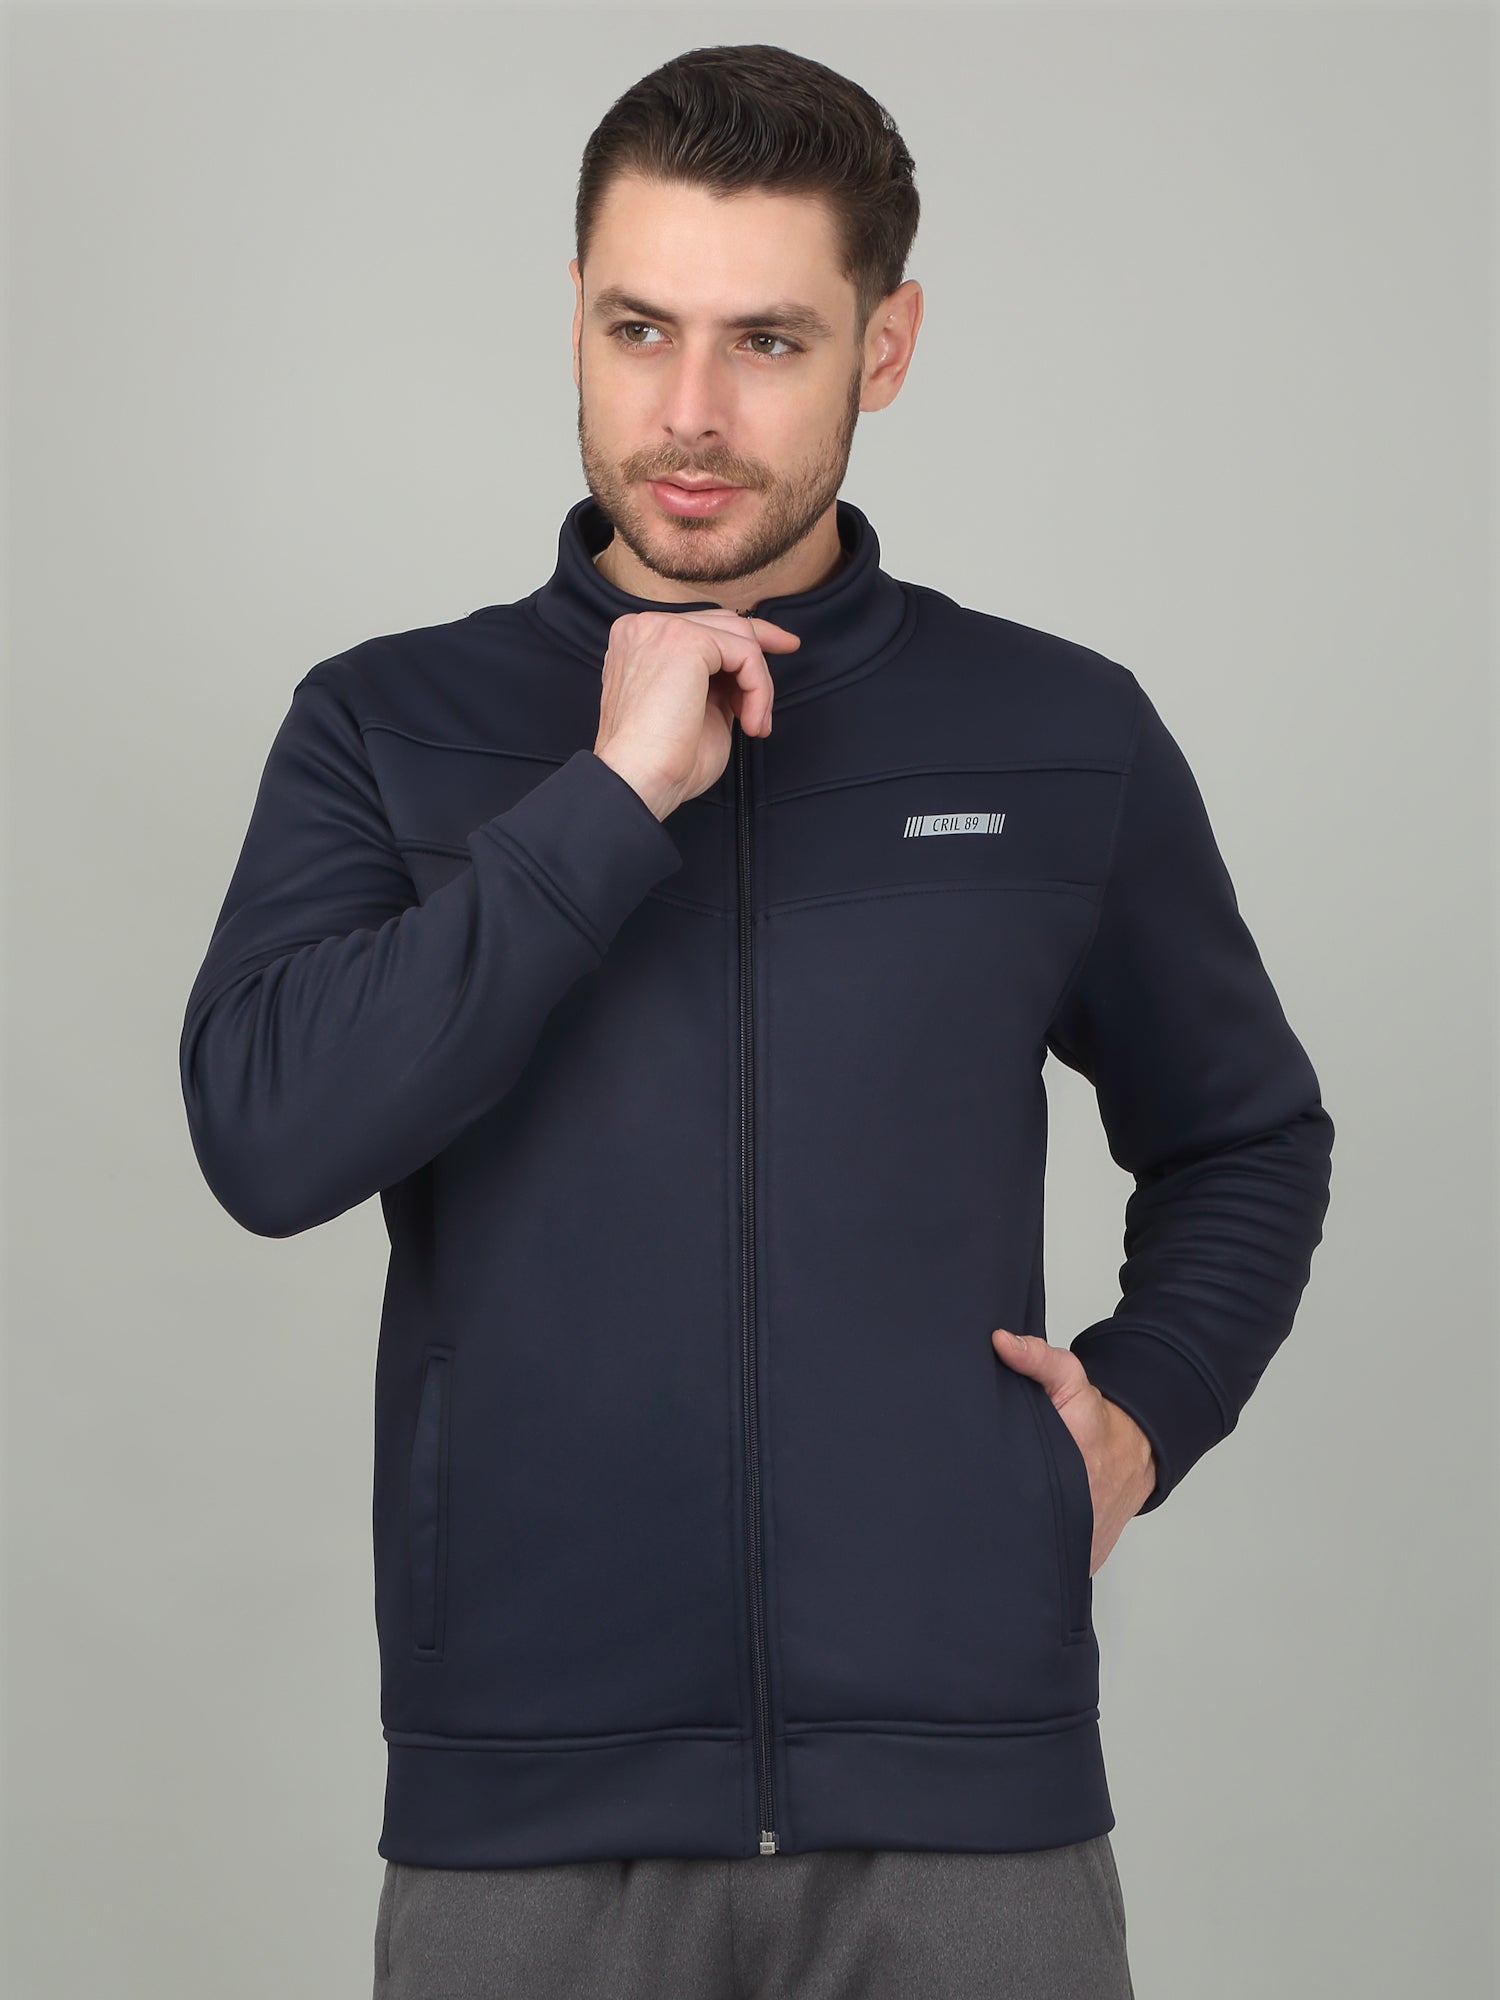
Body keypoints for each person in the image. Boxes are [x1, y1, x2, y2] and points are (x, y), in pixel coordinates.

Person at [178, 40, 1335, 2000]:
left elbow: (1245, 1134)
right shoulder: (387, 726)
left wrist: (1143, 1415)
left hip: (967, 1819)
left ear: (886, 346)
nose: (690, 415)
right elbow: (269, 1133)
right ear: (573, 312)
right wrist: (608, 800)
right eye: (639, 329)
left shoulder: (1056, 732)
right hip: (525, 1827)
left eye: (769, 343)